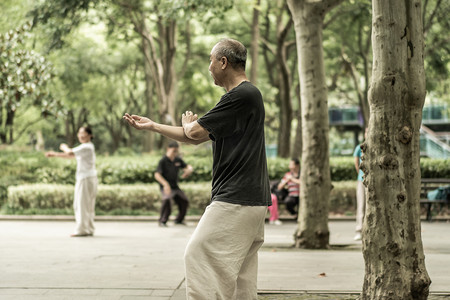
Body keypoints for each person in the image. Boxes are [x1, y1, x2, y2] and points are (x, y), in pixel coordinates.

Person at [123, 38, 271, 300]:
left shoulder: (242, 95)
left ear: (223, 62)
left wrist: (189, 124)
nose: (209, 66)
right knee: (240, 276)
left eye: (211, 60)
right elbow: (194, 137)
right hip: (248, 198)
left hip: (237, 197)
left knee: (198, 252)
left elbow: (194, 130)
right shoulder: (240, 98)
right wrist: (153, 125)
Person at [45, 127, 98, 237]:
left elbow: (69, 152)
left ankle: (82, 230)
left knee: (81, 204)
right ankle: (88, 228)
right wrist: (55, 154)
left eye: (83, 133)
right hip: (88, 178)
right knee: (87, 205)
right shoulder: (87, 147)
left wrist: (64, 146)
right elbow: (72, 155)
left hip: (85, 179)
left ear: (90, 135)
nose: (81, 135)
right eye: (79, 133)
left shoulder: (86, 147)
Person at [155, 141, 193, 227]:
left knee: (184, 201)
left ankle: (179, 220)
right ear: (168, 149)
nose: (175, 153)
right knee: (167, 199)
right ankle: (162, 221)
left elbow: (187, 167)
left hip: (175, 187)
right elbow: (157, 174)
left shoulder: (177, 160)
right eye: (173, 151)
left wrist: (189, 170)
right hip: (166, 187)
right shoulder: (163, 161)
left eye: (176, 151)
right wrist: (165, 184)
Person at [353, 127, 368, 241]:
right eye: (366, 132)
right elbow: (356, 163)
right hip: (361, 180)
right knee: (361, 205)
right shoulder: (359, 147)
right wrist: (361, 174)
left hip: (374, 180)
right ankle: (359, 230)